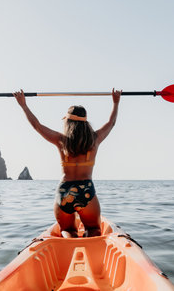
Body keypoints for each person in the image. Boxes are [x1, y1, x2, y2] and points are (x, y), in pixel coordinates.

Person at [13, 88, 122, 238]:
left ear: (68, 122)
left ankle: (70, 245)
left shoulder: (61, 141)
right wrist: (116, 103)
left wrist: (23, 105)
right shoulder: (95, 140)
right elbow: (111, 122)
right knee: (94, 229)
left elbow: (37, 126)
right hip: (86, 191)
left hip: (64, 191)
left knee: (68, 230)